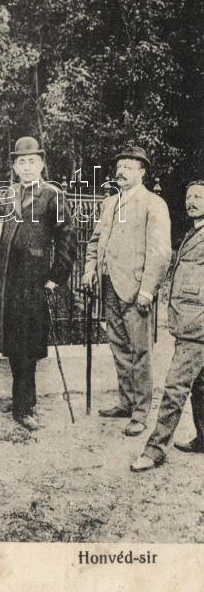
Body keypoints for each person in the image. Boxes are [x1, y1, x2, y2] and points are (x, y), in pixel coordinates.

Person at [0, 137, 76, 431]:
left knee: (27, 345)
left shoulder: (52, 195)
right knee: (15, 344)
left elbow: (67, 239)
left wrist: (55, 277)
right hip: (8, 282)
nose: (26, 167)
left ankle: (24, 407)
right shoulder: (11, 193)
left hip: (33, 281)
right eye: (21, 162)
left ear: (41, 164)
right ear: (14, 167)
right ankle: (23, 399)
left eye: (32, 161)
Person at [82, 145, 172, 437]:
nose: (121, 171)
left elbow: (160, 252)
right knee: (119, 346)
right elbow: (95, 241)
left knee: (140, 351)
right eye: (119, 166)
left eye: (128, 167)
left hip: (135, 290)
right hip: (110, 285)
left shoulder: (153, 204)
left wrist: (147, 290)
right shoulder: (110, 203)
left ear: (142, 172)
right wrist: (90, 269)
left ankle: (141, 413)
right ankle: (126, 401)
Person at [131, 181, 204, 471]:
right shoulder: (193, 232)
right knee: (200, 385)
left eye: (199, 197)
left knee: (175, 388)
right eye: (189, 196)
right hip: (189, 320)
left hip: (197, 325)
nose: (191, 201)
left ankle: (155, 450)